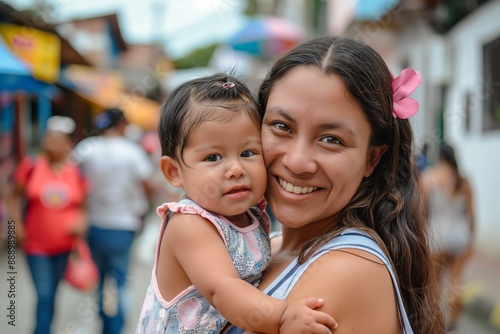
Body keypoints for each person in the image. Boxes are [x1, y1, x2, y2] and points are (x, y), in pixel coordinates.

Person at [224, 35, 445, 334]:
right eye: (281, 126)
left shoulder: (349, 268)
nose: (297, 162)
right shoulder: (269, 246)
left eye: (332, 140)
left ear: (372, 159)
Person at [136, 73, 337, 333]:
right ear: (174, 171)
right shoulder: (189, 224)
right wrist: (283, 316)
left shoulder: (251, 213)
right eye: (213, 157)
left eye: (247, 153)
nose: (235, 169)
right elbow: (223, 289)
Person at [72, 108, 153, 334]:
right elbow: (147, 185)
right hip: (124, 226)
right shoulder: (131, 152)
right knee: (119, 281)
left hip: (94, 224)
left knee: (99, 279)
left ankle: (105, 321)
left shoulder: (86, 149)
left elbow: (71, 179)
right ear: (120, 125)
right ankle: (115, 327)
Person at [7, 115, 88, 334]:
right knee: (44, 294)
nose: (50, 141)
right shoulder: (31, 166)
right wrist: (15, 227)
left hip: (64, 246)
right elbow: (12, 196)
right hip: (36, 245)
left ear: (68, 144)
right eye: (48, 137)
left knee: (52, 293)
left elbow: (84, 204)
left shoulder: (75, 172)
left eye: (57, 138)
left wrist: (81, 222)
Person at [421, 142, 475, 333]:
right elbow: (471, 214)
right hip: (460, 236)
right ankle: (453, 324)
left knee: (434, 285)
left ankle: (438, 325)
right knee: (455, 282)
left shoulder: (428, 178)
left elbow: (421, 212)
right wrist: (471, 239)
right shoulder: (464, 181)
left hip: (436, 236)